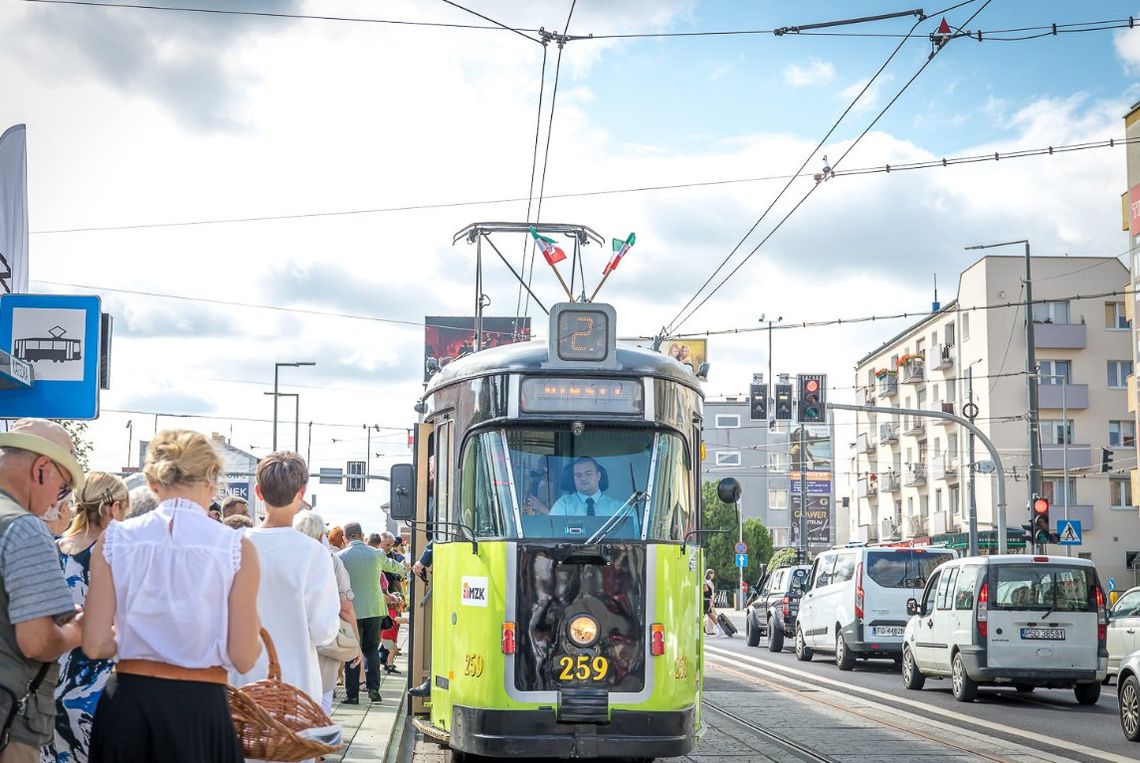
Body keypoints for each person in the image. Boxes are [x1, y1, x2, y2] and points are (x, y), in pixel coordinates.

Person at [83, 429, 261, 763]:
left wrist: (128, 638)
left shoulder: (114, 539)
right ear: (212, 478)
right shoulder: (236, 548)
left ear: (153, 483)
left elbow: (94, 645)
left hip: (128, 701)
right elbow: (244, 656)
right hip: (200, 706)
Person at [230, 451, 339, 749]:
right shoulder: (314, 554)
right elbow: (324, 630)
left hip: (240, 685)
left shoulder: (233, 545)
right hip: (297, 689)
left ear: (257, 492)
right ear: (301, 494)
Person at [0, 419, 86, 763]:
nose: (57, 501)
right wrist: (74, 631)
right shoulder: (23, 528)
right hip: (10, 720)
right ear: (41, 470)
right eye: (63, 488)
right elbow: (37, 642)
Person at [42, 473, 129, 763]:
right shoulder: (114, 554)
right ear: (114, 508)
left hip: (52, 675)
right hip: (97, 681)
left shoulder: (53, 549)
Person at [291, 510, 362, 715]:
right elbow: (346, 607)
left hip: (290, 636)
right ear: (321, 534)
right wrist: (355, 642)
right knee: (322, 695)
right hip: (323, 637)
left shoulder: (286, 556)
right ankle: (318, 740)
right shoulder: (330, 560)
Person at [337, 523, 407, 704]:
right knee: (371, 650)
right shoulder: (376, 554)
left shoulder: (340, 557)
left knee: (352, 650)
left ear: (345, 537)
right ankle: (374, 690)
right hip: (375, 610)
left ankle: (352, 695)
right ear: (361, 535)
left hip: (351, 611)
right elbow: (398, 568)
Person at [525, 457, 626, 516]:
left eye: (588, 473)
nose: (583, 478)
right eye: (578, 475)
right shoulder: (563, 504)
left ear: (598, 476)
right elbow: (555, 529)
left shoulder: (620, 508)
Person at [703, 569, 718, 636]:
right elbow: (710, 592)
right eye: (712, 574)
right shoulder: (709, 582)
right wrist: (712, 601)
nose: (713, 575)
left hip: (708, 600)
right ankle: (709, 630)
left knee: (709, 615)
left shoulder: (706, 581)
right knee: (711, 615)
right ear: (709, 574)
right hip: (710, 600)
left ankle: (708, 629)